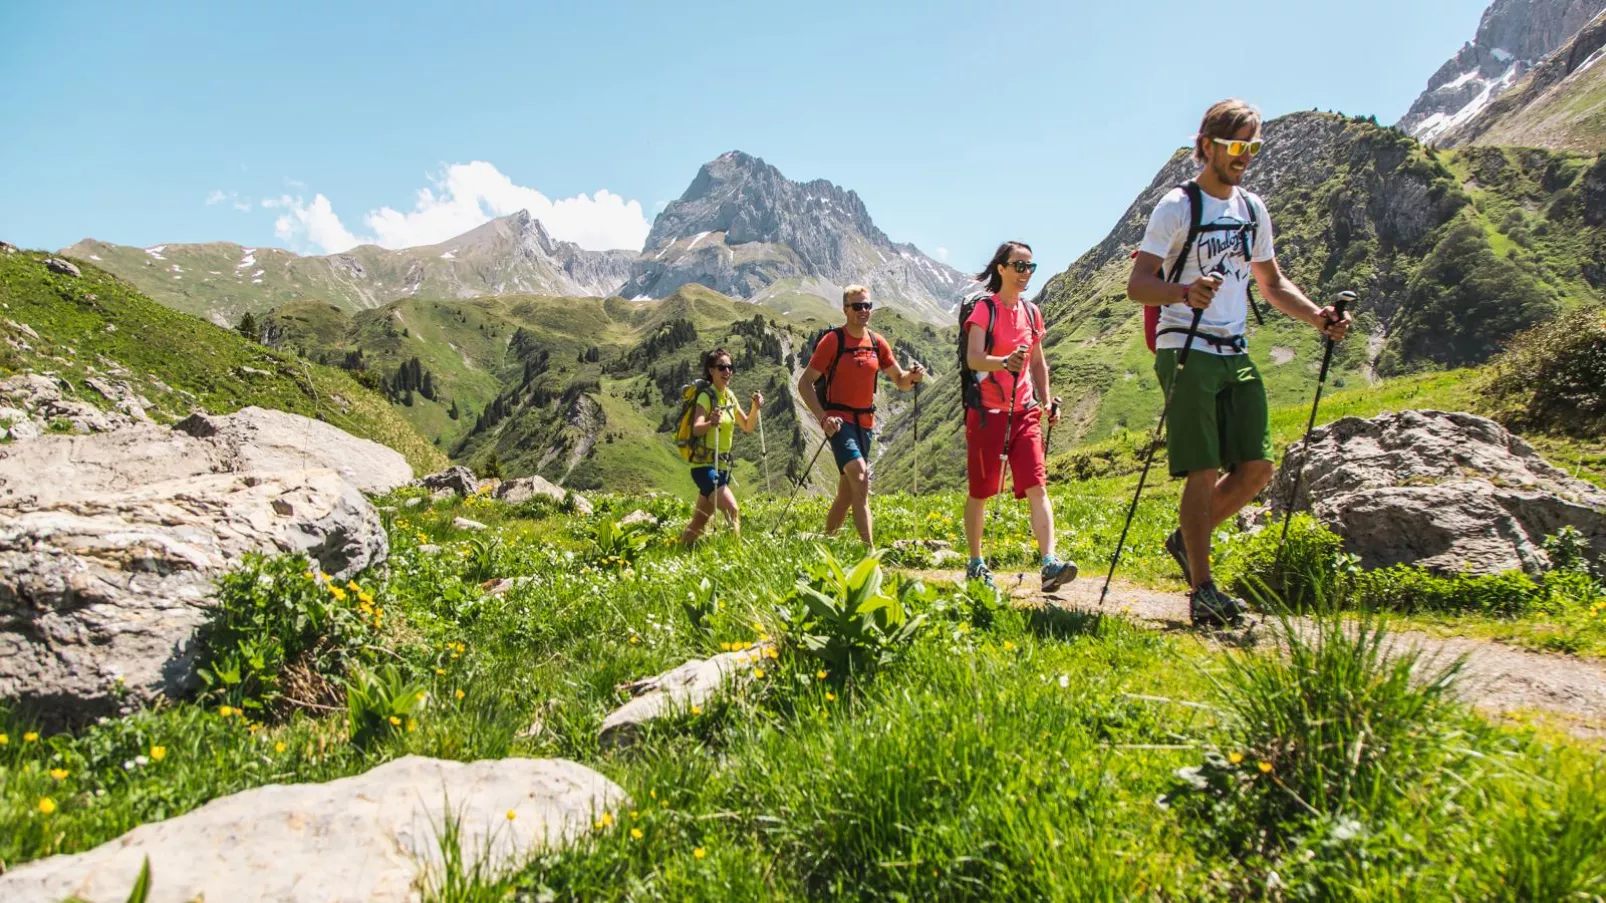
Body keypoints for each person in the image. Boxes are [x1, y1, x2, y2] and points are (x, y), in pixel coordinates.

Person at [1126, 98, 1351, 627]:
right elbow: (1139, 286)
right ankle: (1203, 590)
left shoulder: (1253, 209)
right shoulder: (1177, 207)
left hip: (1236, 349)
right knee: (1202, 469)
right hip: (1185, 346)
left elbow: (1271, 284)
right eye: (1234, 145)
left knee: (1257, 468)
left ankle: (1187, 540)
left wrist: (1318, 317)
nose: (1244, 155)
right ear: (1206, 145)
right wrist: (1184, 291)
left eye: (1252, 146)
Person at [962, 241, 1076, 592]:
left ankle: (1049, 562)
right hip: (987, 412)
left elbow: (1039, 362)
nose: (1026, 273)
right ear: (1001, 268)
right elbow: (974, 358)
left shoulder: (1031, 312)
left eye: (1030, 267)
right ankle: (976, 562)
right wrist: (1004, 362)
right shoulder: (985, 309)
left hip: (1023, 411)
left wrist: (1046, 401)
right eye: (1019, 266)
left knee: (1037, 485)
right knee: (982, 491)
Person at [796, 285, 924, 547]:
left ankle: (825, 545)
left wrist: (913, 377)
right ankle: (870, 553)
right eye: (857, 306)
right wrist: (823, 418)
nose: (863, 311)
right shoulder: (833, 341)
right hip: (839, 422)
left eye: (867, 305)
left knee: (846, 495)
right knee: (861, 478)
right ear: (845, 309)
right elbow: (805, 383)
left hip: (866, 424)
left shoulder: (877, 342)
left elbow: (899, 380)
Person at [680, 348, 762, 545]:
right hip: (705, 467)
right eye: (722, 367)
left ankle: (680, 548)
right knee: (733, 510)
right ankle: (736, 556)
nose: (727, 372)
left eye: (730, 367)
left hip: (722, 466)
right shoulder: (706, 397)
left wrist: (755, 408)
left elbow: (747, 426)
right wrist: (711, 423)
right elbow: (697, 428)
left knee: (700, 520)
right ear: (711, 371)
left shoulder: (730, 396)